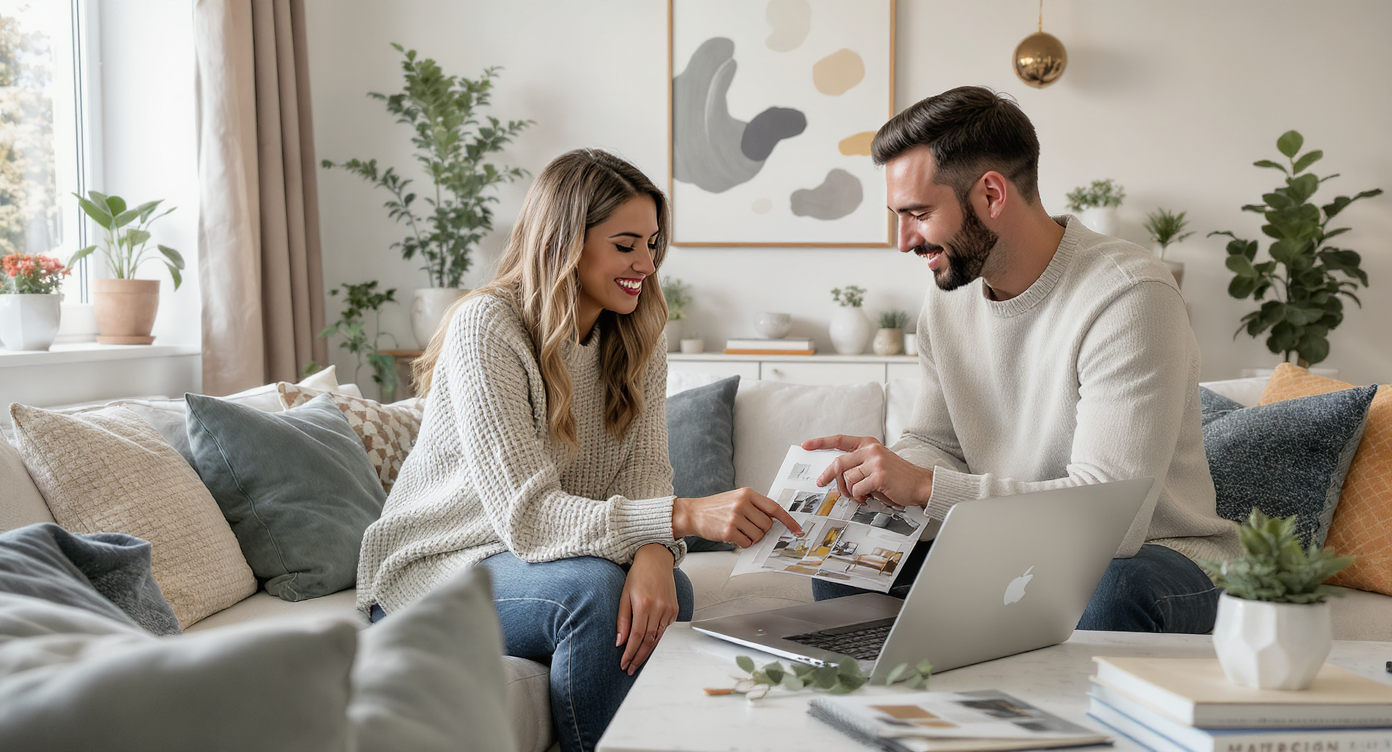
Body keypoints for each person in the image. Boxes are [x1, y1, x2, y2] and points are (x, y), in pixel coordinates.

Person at [356, 149, 802, 752]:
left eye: (652, 244)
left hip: (540, 560)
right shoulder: (487, 326)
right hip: (439, 570)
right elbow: (530, 518)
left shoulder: (637, 331)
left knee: (670, 595)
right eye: (625, 245)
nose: (644, 264)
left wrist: (653, 557)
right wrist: (685, 517)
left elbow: (646, 472)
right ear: (565, 242)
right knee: (595, 595)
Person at [804, 86, 1238, 632]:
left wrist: (927, 488)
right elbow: (938, 443)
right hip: (1007, 546)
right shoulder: (948, 298)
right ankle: (906, 712)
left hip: (1156, 557)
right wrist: (887, 474)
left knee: (1108, 589)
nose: (903, 240)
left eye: (917, 214)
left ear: (991, 194)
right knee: (847, 566)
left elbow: (1112, 522)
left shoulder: (1128, 295)